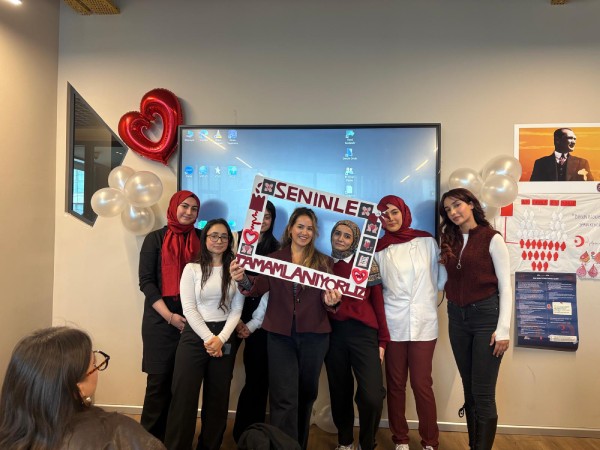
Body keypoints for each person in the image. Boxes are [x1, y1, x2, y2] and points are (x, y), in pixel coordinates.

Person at [230, 207, 342, 450]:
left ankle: (298, 445)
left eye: (309, 228)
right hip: (280, 336)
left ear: (314, 232)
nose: (304, 232)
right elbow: (257, 286)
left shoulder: (324, 261)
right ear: (290, 228)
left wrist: (331, 301)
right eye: (300, 226)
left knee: (306, 394)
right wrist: (242, 279)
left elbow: (329, 300)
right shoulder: (275, 258)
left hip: (314, 336)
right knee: (283, 397)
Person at [0, 326, 165, 450]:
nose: (97, 369)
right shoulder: (119, 434)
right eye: (94, 364)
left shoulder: (10, 432)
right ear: (78, 389)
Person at [439, 188, 512, 450]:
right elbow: (444, 280)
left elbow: (505, 286)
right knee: (469, 389)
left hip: (486, 319)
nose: (453, 212)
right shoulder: (449, 240)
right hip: (457, 318)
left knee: (483, 393)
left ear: (471, 204)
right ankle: (474, 446)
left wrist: (503, 329)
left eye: (457, 205)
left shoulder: (492, 238)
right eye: (448, 209)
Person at [164, 218, 244, 450]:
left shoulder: (236, 270)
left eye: (224, 237)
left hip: (224, 335)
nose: (219, 240)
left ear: (229, 241)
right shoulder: (192, 269)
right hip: (195, 335)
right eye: (214, 235)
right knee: (184, 397)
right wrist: (210, 338)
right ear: (205, 238)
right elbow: (189, 308)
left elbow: (237, 309)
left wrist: (221, 339)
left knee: (218, 399)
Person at [374, 195, 443, 450]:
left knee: (422, 384)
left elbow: (441, 277)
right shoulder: (379, 249)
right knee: (395, 385)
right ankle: (400, 439)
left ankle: (430, 441)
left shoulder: (427, 241)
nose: (390, 218)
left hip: (424, 323)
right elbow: (376, 290)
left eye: (394, 212)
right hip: (394, 324)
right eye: (385, 214)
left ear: (404, 212)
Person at [138, 190, 201, 441]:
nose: (188, 212)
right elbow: (146, 282)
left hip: (193, 323)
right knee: (158, 385)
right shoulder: (155, 238)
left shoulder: (202, 238)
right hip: (160, 322)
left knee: (182, 387)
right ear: (174, 207)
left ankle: (174, 442)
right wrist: (170, 317)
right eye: (184, 206)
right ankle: (149, 442)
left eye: (194, 209)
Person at [325, 220, 390, 450]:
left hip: (364, 334)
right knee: (339, 390)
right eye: (337, 233)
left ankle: (366, 443)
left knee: (372, 396)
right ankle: (345, 442)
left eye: (347, 236)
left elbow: (378, 304)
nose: (340, 239)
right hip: (333, 334)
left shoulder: (366, 263)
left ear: (355, 241)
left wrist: (383, 341)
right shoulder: (323, 265)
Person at [233, 200, 281, 442]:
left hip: (260, 320)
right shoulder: (234, 240)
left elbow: (272, 290)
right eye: (259, 215)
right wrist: (236, 320)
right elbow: (228, 281)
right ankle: (232, 434)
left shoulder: (277, 248)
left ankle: (253, 435)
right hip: (230, 315)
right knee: (220, 377)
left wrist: (252, 324)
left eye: (268, 216)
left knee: (257, 378)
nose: (263, 220)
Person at [530, 127, 594, 181]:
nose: (574, 142)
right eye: (570, 138)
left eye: (575, 139)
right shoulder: (541, 163)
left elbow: (590, 185)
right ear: (557, 140)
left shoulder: (582, 163)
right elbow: (534, 186)